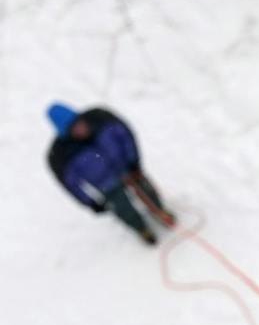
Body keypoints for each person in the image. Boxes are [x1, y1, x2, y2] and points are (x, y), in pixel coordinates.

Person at [46, 103, 170, 245]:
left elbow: (126, 136)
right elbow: (71, 184)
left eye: (79, 123)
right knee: (123, 209)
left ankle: (160, 212)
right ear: (66, 134)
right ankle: (141, 229)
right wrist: (90, 203)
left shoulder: (101, 119)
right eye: (74, 129)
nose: (80, 129)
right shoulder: (62, 156)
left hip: (126, 167)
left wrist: (133, 161)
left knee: (146, 190)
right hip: (106, 184)